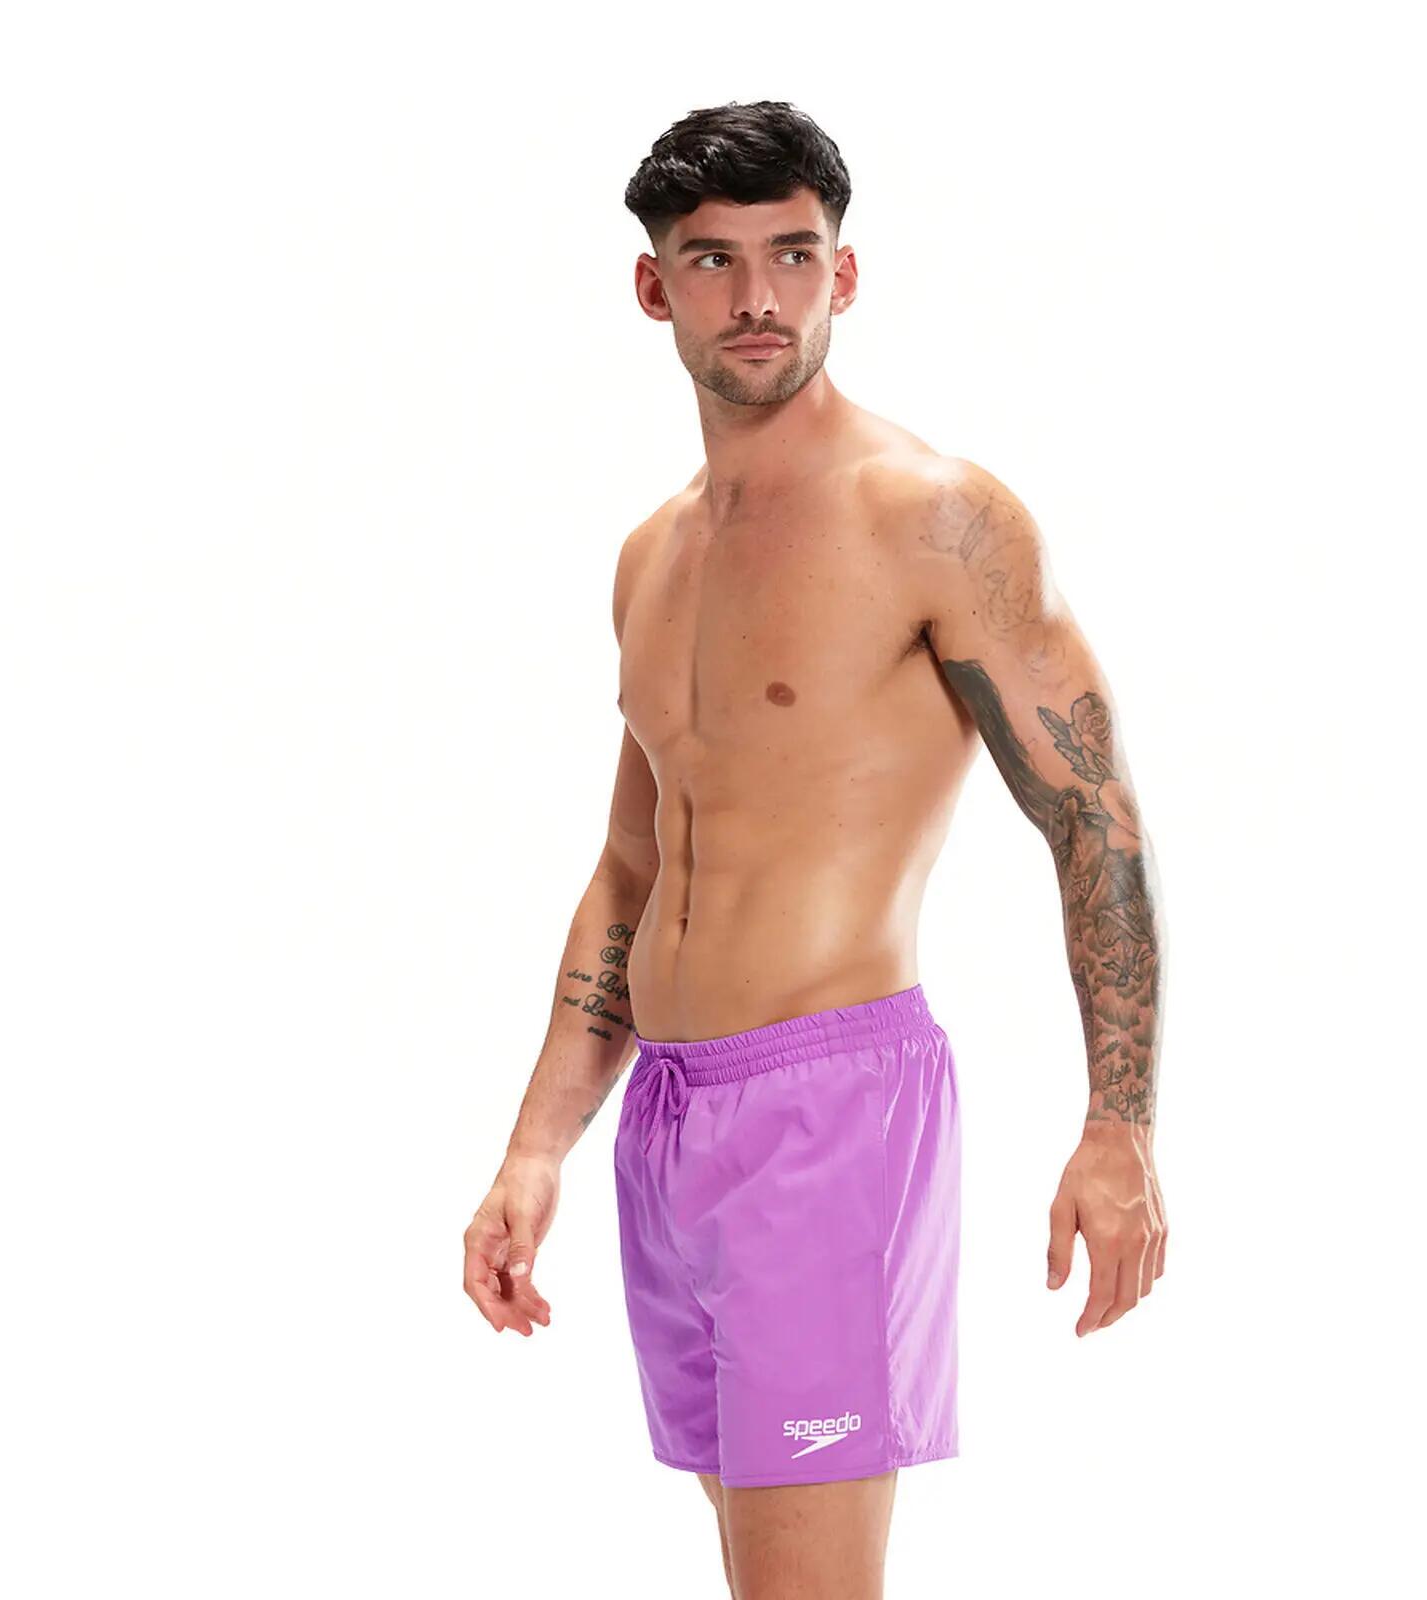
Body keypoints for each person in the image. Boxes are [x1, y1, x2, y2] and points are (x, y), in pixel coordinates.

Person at [463, 99, 1169, 1599]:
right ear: (654, 287)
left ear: (844, 274)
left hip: (829, 1111)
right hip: (668, 1117)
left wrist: (1120, 1125)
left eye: (793, 254)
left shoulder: (937, 519)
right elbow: (634, 869)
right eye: (713, 260)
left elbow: (1093, 820)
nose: (759, 296)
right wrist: (535, 1148)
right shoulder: (652, 558)